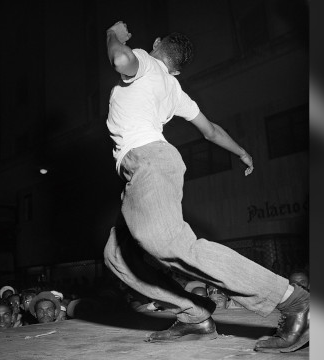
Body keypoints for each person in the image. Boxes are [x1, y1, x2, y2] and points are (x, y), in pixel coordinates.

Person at [102, 21, 309, 353]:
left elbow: (121, 61)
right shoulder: (173, 90)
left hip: (149, 162)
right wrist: (241, 151)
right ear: (179, 72)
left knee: (174, 245)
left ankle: (294, 301)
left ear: (156, 45)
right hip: (143, 168)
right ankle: (195, 316)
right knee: (118, 256)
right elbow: (210, 130)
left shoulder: (146, 61)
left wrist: (113, 35)